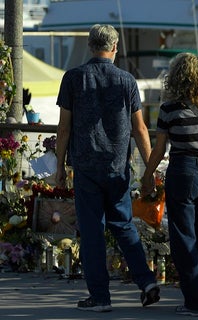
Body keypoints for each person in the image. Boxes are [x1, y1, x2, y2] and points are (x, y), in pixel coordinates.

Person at [55, 24, 160, 313]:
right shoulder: (127, 81)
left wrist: (59, 166)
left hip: (86, 166)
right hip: (117, 167)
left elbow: (64, 129)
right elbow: (140, 129)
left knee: (92, 233)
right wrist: (149, 171)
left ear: (90, 46)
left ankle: (100, 297)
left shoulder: (73, 78)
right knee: (124, 226)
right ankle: (147, 282)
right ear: (115, 48)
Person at [141, 52, 198, 317]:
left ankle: (195, 300)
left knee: (182, 238)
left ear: (175, 77)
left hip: (183, 171)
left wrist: (147, 175)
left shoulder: (169, 109)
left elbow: (159, 149)